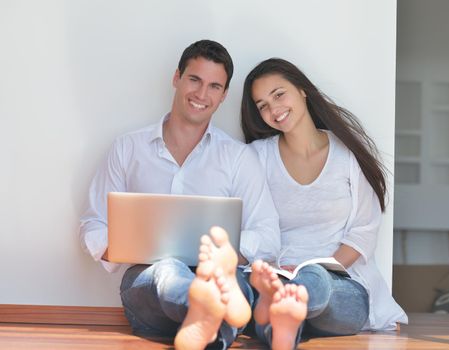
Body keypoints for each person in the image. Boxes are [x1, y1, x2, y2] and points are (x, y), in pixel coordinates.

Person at [79, 40, 281, 350]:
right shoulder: (128, 149)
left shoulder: (238, 159)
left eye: (214, 86)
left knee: (228, 283)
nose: (202, 94)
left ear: (224, 95)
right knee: (167, 270)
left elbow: (269, 236)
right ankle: (203, 302)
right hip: (150, 283)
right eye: (194, 79)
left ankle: (205, 318)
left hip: (220, 274)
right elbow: (93, 223)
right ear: (177, 78)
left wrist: (224, 253)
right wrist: (126, 246)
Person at [240, 58, 408, 349]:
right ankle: (281, 323)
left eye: (279, 94)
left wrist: (311, 272)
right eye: (263, 105)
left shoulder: (347, 153)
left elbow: (363, 232)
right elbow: (247, 223)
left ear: (303, 90)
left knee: (312, 280)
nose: (273, 109)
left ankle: (279, 303)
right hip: (273, 274)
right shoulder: (257, 158)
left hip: (339, 285)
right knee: (249, 292)